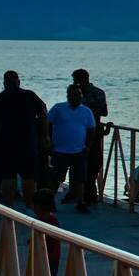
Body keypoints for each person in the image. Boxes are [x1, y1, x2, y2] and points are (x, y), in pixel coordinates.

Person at [0, 71, 47, 207]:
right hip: (28, 143)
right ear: (18, 82)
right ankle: (30, 207)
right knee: (29, 177)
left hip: (6, 143)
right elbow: (43, 113)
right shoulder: (29, 95)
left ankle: (9, 208)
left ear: (4, 83)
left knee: (8, 176)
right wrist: (45, 135)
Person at [46, 84, 97, 212]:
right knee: (56, 178)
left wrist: (88, 146)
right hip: (60, 149)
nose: (78, 96)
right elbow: (47, 123)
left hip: (79, 150)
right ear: (68, 95)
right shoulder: (59, 108)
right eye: (74, 94)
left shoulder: (86, 111)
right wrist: (47, 139)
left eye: (79, 94)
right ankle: (49, 202)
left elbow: (91, 129)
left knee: (80, 178)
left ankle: (80, 202)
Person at [72, 69, 109, 204]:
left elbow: (104, 112)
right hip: (77, 131)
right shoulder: (76, 93)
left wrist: (86, 110)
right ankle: (78, 194)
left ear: (83, 80)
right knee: (77, 163)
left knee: (93, 163)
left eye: (76, 80)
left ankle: (89, 195)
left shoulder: (97, 93)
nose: (75, 83)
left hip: (92, 131)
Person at [29, 188, 62, 276]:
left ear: (38, 207)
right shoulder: (46, 220)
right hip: (44, 254)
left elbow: (56, 242)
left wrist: (54, 257)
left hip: (50, 257)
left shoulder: (50, 221)